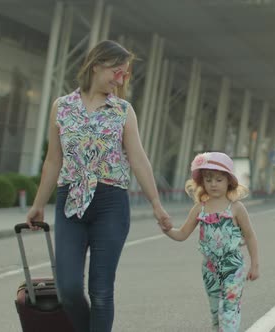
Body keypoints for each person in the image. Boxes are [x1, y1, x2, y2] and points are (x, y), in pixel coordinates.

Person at [25, 40, 172, 332]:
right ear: (97, 65)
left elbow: (139, 160)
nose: (120, 80)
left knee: (102, 294)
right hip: (71, 204)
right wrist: (38, 204)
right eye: (116, 72)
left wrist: (156, 204)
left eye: (125, 75)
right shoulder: (62, 107)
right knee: (67, 290)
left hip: (111, 205)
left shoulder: (122, 111)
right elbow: (53, 161)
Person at [163, 152, 260, 332]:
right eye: (208, 180)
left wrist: (255, 265)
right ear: (202, 183)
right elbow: (182, 234)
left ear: (229, 181)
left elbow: (251, 236)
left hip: (232, 266)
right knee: (216, 311)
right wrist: (167, 229)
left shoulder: (237, 208)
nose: (213, 184)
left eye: (218, 179)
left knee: (229, 309)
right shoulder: (199, 208)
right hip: (209, 268)